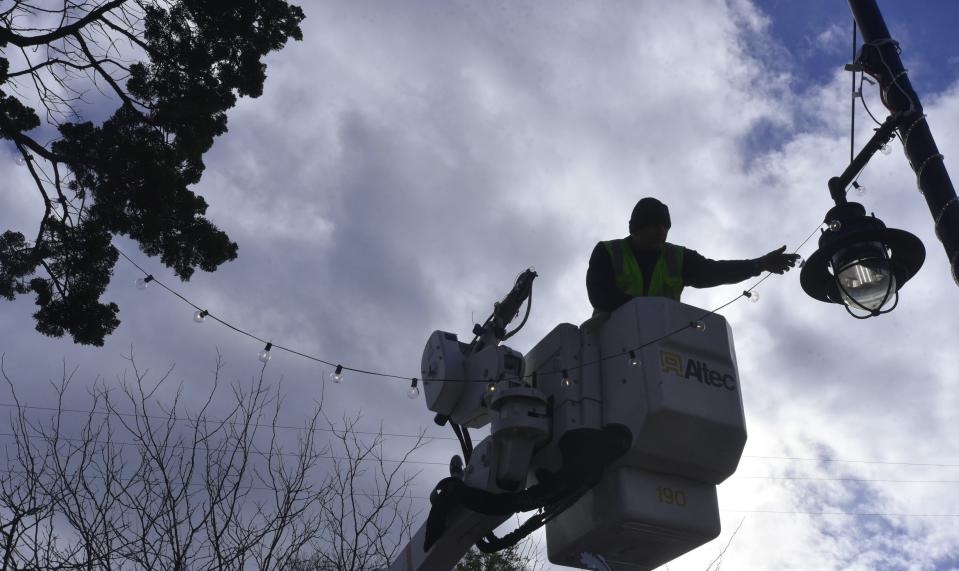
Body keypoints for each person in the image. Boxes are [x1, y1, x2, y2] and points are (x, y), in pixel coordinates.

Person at [587, 197, 800, 313]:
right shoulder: (609, 251)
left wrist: (759, 264)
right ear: (636, 228)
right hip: (613, 340)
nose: (661, 231)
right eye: (653, 224)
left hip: (662, 342)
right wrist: (647, 312)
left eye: (665, 226)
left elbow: (715, 271)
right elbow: (600, 296)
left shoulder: (678, 257)